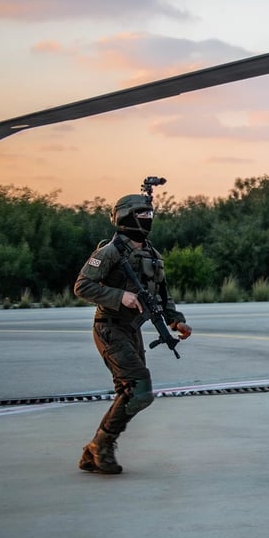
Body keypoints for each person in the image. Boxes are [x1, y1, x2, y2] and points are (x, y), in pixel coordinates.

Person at [73, 193, 191, 474]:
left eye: (150, 215)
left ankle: (96, 449)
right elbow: (82, 286)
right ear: (126, 217)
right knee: (139, 390)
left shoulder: (152, 254)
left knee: (130, 392)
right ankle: (100, 446)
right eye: (142, 215)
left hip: (131, 330)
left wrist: (176, 321)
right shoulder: (110, 251)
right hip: (110, 327)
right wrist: (119, 296)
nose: (147, 220)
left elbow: (162, 296)